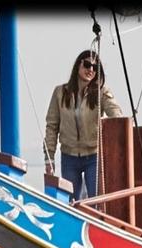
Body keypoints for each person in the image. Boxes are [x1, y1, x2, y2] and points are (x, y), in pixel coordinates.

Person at [44, 50, 124, 201]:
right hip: (69, 156)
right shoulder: (60, 92)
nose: (91, 70)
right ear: (78, 65)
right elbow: (52, 125)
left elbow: (116, 115)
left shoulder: (102, 93)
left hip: (94, 155)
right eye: (87, 65)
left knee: (95, 200)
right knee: (72, 201)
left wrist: (118, 119)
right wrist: (49, 157)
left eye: (96, 68)